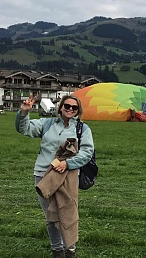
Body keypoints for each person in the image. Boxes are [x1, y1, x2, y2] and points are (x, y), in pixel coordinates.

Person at [15, 94, 94, 258]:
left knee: (68, 212)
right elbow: (25, 129)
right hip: (44, 176)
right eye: (67, 106)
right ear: (61, 107)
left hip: (68, 176)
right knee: (51, 215)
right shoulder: (47, 124)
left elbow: (87, 152)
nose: (70, 109)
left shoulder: (82, 128)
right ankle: (57, 250)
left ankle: (70, 250)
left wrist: (67, 164)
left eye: (74, 107)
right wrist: (24, 113)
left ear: (78, 110)